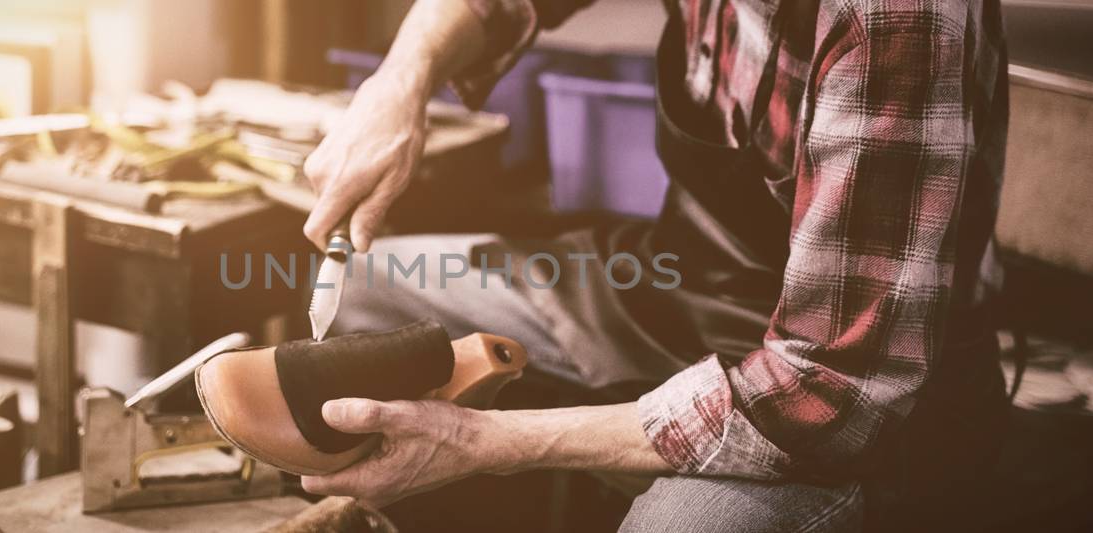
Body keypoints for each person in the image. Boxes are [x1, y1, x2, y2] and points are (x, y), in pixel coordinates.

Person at [297, 0, 1010, 530]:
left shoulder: (894, 23)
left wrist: (485, 443)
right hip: (685, 286)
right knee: (371, 291)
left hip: (846, 403)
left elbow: (825, 393)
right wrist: (402, 79)